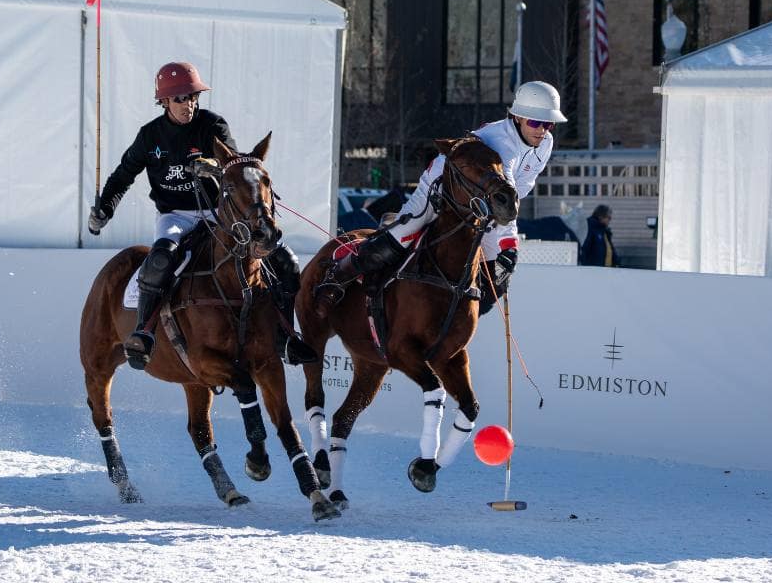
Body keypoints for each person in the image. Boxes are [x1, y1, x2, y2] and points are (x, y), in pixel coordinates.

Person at [88, 61, 316, 370]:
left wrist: (213, 165)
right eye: (180, 98)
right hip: (175, 217)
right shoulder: (150, 136)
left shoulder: (212, 125)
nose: (189, 104)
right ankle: (144, 332)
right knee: (160, 259)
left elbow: (235, 162)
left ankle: (285, 336)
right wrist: (105, 207)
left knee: (285, 260)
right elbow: (124, 174)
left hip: (217, 215)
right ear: (164, 101)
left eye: (193, 97)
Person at [314, 80, 567, 316]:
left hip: (481, 201)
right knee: (404, 234)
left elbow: (519, 189)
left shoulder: (545, 143)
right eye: (536, 123)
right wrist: (509, 242)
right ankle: (338, 276)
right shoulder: (502, 144)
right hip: (442, 184)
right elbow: (506, 196)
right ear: (518, 117)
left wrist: (505, 245)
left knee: (497, 277)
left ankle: (453, 324)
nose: (542, 131)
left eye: (549, 124)